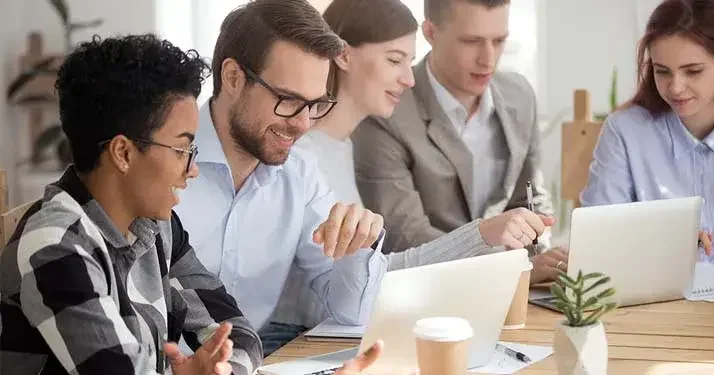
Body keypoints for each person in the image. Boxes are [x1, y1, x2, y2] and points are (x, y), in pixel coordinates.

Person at [271, 0, 566, 332]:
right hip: (303, 337)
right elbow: (373, 271)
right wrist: (491, 244)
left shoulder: (344, 146)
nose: (409, 80)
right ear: (343, 55)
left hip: (357, 326)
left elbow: (365, 277)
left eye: (409, 61)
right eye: (395, 60)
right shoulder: (305, 155)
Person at [0, 34, 263, 375]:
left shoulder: (158, 229)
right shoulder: (56, 247)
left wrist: (222, 369)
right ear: (123, 153)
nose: (192, 169)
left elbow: (239, 334)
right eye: (182, 150)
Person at [173, 0, 387, 356]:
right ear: (233, 78)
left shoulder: (299, 173)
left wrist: (358, 246)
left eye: (315, 104)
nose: (304, 124)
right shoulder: (162, 160)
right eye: (288, 100)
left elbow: (349, 312)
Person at [350, 0, 568, 270]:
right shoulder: (385, 112)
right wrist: (516, 268)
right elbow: (406, 238)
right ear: (430, 33)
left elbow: (531, 199)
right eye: (471, 41)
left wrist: (542, 253)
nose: (488, 59)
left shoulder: (520, 94)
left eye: (499, 41)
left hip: (518, 286)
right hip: (431, 290)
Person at [580, 0, 714, 262]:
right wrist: (659, 238)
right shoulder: (625, 131)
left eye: (693, 71)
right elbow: (596, 240)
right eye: (662, 71)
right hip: (654, 300)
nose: (675, 87)